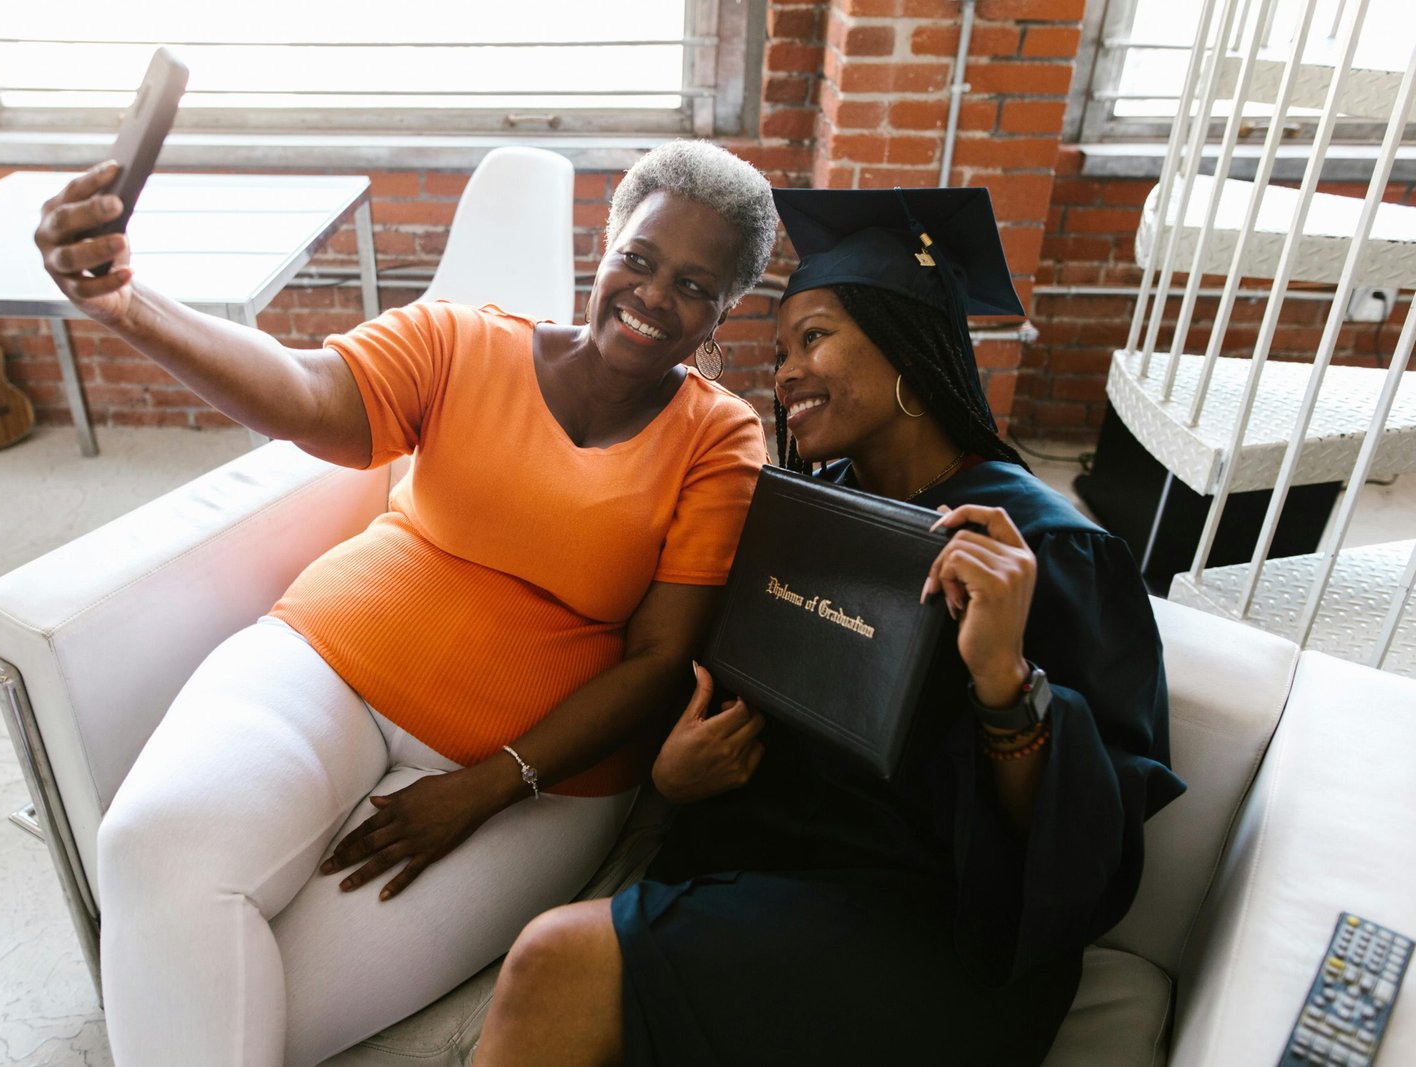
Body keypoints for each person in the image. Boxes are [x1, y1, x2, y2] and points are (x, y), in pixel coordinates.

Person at [31, 139, 779, 1067]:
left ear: (727, 308)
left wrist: (486, 787)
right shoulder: (459, 340)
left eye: (695, 285)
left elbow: (661, 661)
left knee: (248, 1014)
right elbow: (303, 391)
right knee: (151, 849)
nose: (654, 295)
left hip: (538, 779)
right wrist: (128, 306)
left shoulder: (719, 438)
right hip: (327, 663)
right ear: (606, 241)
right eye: (640, 258)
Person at [473, 187, 1187, 1066]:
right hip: (786, 885)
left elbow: (1092, 853)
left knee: (554, 958)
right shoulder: (816, 519)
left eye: (814, 337)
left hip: (940, 933)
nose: (786, 374)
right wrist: (677, 774)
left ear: (906, 347)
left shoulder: (1047, 548)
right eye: (779, 353)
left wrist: (1007, 680)